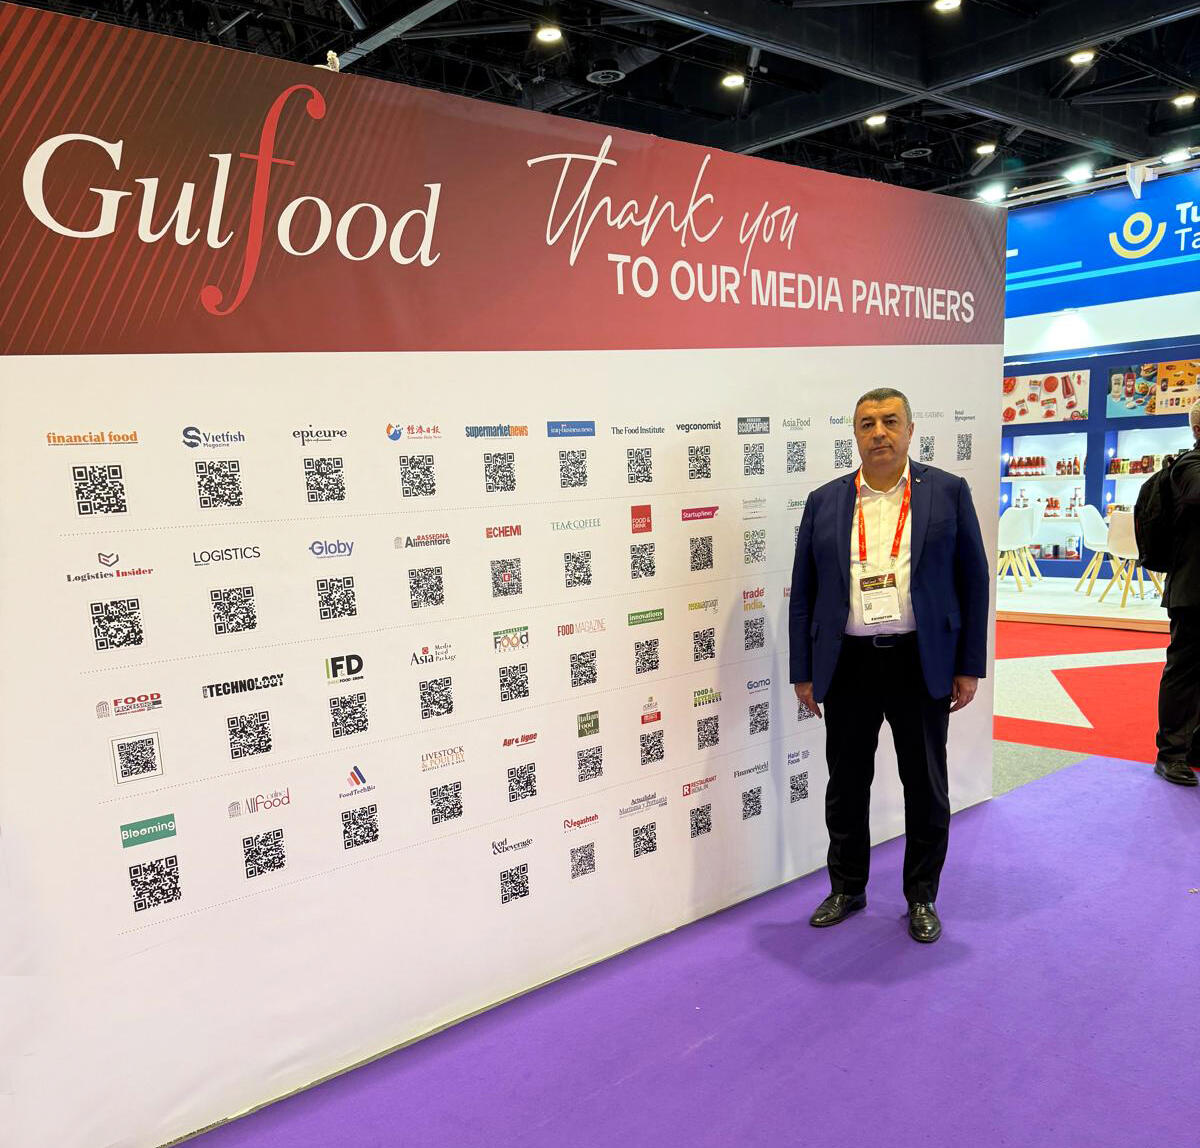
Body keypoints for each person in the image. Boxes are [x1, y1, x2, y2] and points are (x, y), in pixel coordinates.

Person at [789, 388, 989, 943]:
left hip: (919, 660)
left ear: (910, 430)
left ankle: (921, 895)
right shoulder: (824, 500)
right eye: (867, 423)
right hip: (848, 663)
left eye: (890, 421)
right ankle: (847, 888)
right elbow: (804, 592)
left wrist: (969, 665)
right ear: (855, 434)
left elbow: (973, 581)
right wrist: (804, 671)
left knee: (925, 785)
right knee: (846, 784)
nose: (879, 432)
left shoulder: (947, 491)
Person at [1153, 400, 1200, 787]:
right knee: (1184, 672)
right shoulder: (1189, 465)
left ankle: (1193, 747)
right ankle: (1171, 754)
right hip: (1192, 590)